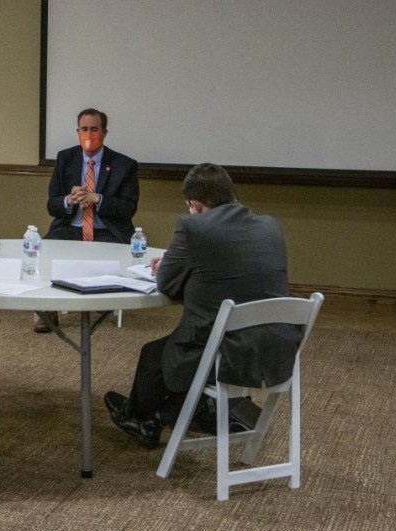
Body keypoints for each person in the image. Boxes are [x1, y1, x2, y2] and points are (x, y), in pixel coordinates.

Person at [103, 163, 303, 448]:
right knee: (180, 351)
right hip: (278, 351)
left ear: (195, 205)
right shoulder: (269, 225)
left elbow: (168, 286)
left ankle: (139, 417)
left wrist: (167, 268)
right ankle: (158, 417)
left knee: (155, 355)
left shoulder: (194, 227)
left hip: (228, 355)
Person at [36, 108, 140, 332]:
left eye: (94, 129)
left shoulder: (124, 165)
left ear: (104, 132)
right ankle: (47, 310)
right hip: (71, 228)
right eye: (84, 129)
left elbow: (128, 209)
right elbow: (51, 204)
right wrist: (68, 200)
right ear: (77, 131)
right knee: (43, 251)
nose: (89, 134)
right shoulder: (66, 159)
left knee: (116, 256)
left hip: (108, 231)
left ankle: (104, 299)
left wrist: (98, 198)